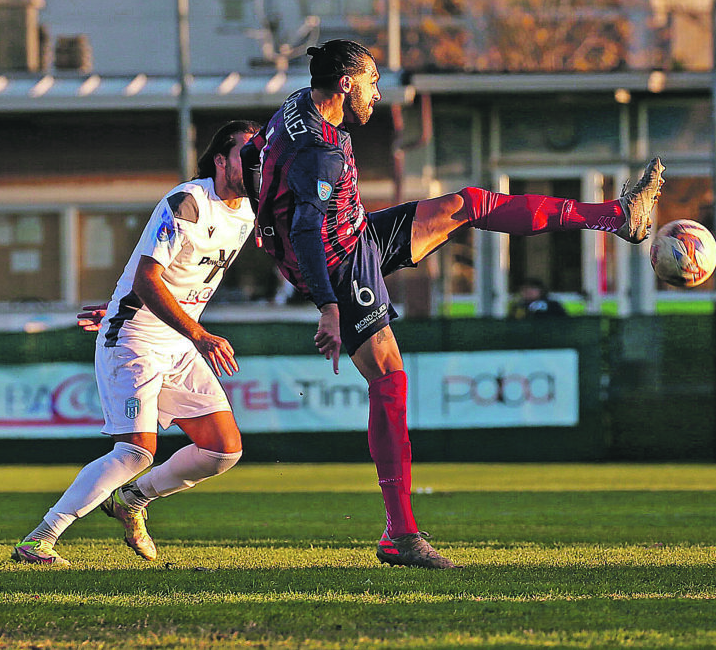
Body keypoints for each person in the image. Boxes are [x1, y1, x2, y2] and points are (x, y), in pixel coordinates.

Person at [240, 39, 665, 569]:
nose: (377, 92)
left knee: (469, 203)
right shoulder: (320, 151)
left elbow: (252, 154)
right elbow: (306, 226)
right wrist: (327, 302)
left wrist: (261, 216)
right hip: (339, 261)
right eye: (372, 81)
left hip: (353, 232)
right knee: (390, 380)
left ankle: (615, 217)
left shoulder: (295, 108)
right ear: (345, 84)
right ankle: (400, 534)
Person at [11, 119, 262, 566]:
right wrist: (197, 333)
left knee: (223, 449)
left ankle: (131, 500)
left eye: (260, 151)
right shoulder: (189, 202)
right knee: (135, 451)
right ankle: (40, 539)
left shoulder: (250, 211)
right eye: (247, 151)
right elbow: (148, 280)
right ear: (221, 159)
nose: (256, 159)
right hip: (134, 337)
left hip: (176, 342)